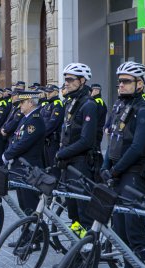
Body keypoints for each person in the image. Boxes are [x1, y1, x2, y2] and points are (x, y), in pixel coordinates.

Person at [101, 61, 145, 268]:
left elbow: (136, 147)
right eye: (119, 82)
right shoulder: (120, 105)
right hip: (117, 173)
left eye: (126, 82)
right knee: (118, 231)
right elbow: (113, 139)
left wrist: (115, 171)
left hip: (134, 175)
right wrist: (106, 166)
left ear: (140, 84)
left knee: (134, 232)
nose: (121, 86)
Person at [55, 62, 97, 229]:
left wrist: (62, 153)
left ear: (82, 81)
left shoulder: (89, 105)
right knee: (73, 213)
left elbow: (86, 140)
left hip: (81, 164)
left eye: (71, 79)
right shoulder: (71, 102)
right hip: (68, 164)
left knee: (83, 211)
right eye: (65, 79)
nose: (66, 82)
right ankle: (78, 246)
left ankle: (89, 249)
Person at [3, 90, 45, 214]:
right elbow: (16, 138)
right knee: (23, 204)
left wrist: (7, 154)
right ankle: (27, 230)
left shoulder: (35, 120)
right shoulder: (27, 118)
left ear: (31, 103)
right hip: (21, 167)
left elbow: (24, 143)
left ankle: (35, 232)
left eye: (22, 102)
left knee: (30, 204)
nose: (20, 105)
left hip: (29, 167)